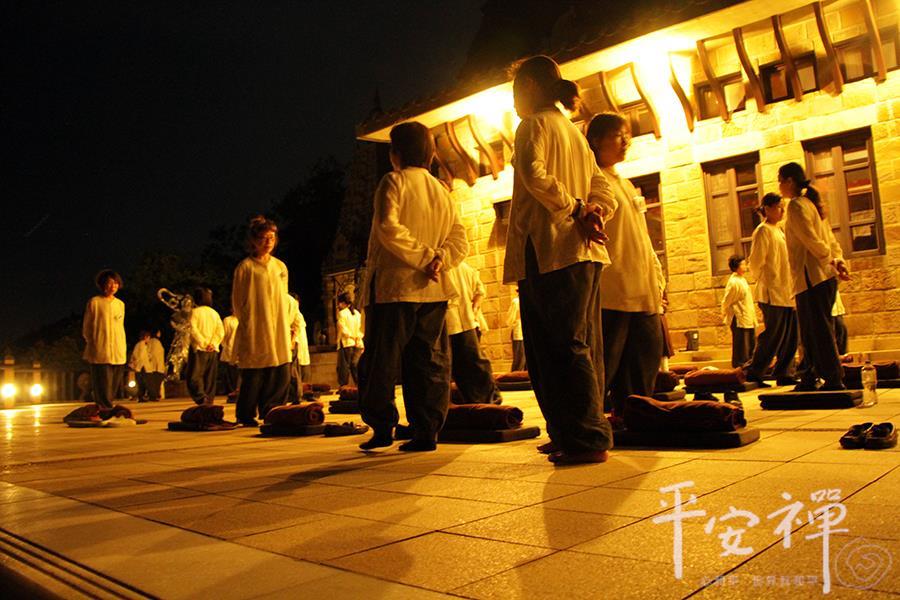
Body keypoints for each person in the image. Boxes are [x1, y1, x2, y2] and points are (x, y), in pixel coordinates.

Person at [503, 55, 614, 465]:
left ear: (531, 86)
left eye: (516, 90)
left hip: (549, 250)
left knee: (556, 348)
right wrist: (595, 211)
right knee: (581, 343)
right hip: (583, 249)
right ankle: (570, 431)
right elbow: (602, 186)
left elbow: (533, 174)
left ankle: (586, 439)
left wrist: (578, 208)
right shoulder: (573, 133)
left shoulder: (532, 125)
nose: (514, 101)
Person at [357, 121, 468, 452]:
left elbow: (388, 228)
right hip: (433, 288)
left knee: (381, 360)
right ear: (430, 153)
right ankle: (426, 430)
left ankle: (382, 426)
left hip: (394, 288)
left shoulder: (393, 181)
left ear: (395, 153)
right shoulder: (442, 191)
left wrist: (425, 258)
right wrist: (439, 259)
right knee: (428, 361)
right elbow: (459, 238)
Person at [586, 112, 663, 418]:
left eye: (628, 135)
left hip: (642, 288)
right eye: (619, 135)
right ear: (596, 140)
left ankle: (633, 416)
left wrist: (656, 279)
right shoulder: (592, 181)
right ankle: (588, 423)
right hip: (613, 288)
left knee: (645, 356)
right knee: (605, 362)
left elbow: (641, 237)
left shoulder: (625, 184)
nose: (626, 141)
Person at [781, 162, 850, 391]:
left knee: (819, 331)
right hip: (820, 277)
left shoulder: (796, 206)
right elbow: (829, 238)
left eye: (780, 181)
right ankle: (808, 375)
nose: (779, 186)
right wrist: (837, 260)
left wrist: (831, 260)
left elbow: (812, 240)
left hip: (812, 278)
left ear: (790, 181)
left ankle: (833, 378)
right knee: (810, 331)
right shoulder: (811, 203)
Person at [232, 216, 292, 425]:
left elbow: (284, 297)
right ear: (254, 240)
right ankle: (246, 413)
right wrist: (247, 322)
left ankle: (272, 410)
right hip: (256, 323)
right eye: (264, 238)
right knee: (254, 371)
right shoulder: (245, 267)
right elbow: (238, 301)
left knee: (280, 368)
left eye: (272, 238)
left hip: (278, 324)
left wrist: (286, 322)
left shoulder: (280, 267)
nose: (268, 242)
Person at [744, 193, 799, 386]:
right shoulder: (763, 231)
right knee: (773, 335)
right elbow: (756, 262)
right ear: (767, 209)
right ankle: (755, 371)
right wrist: (768, 281)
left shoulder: (780, 230)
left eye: (783, 206)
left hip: (787, 291)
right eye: (778, 207)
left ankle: (785, 372)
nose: (782, 210)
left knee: (791, 335)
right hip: (772, 291)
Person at [447, 261, 502, 404]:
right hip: (468, 319)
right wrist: (474, 308)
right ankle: (488, 398)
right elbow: (480, 292)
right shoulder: (466, 267)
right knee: (473, 359)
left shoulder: (443, 265)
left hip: (452, 321)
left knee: (463, 362)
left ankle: (484, 400)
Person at [82, 269, 126, 409]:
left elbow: (120, 325)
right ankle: (105, 407)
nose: (113, 286)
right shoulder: (95, 302)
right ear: (102, 285)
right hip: (100, 347)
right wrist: (93, 342)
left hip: (118, 347)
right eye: (110, 283)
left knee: (114, 381)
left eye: (116, 283)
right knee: (102, 380)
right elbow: (87, 326)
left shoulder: (120, 304)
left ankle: (107, 405)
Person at [187, 287, 224, 405]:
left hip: (199, 349)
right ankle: (209, 400)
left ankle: (201, 397)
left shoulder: (194, 312)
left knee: (194, 376)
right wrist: (213, 343)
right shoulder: (215, 313)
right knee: (210, 377)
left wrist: (203, 343)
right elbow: (220, 331)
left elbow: (192, 329)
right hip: (213, 350)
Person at [721, 255, 756, 368]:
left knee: (750, 344)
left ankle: (750, 365)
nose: (745, 266)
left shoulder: (742, 279)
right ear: (736, 266)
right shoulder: (734, 282)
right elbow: (727, 300)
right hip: (739, 317)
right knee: (742, 345)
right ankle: (740, 367)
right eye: (743, 264)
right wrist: (725, 311)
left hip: (747, 315)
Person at [336, 292, 363, 386]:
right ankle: (359, 385)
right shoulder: (357, 313)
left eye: (339, 303)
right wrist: (357, 337)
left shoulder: (342, 313)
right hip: (357, 342)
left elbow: (343, 329)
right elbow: (361, 328)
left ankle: (343, 387)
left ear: (343, 303)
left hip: (347, 343)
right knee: (355, 366)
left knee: (344, 367)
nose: (338, 305)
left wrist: (352, 336)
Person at [129, 331, 164, 402]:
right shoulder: (142, 345)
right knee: (149, 383)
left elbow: (135, 355)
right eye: (148, 338)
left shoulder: (139, 345)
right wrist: (144, 366)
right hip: (144, 367)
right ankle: (152, 397)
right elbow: (142, 357)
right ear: (146, 337)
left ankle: (141, 397)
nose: (149, 340)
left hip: (141, 367)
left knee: (141, 383)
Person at [220, 313, 240, 401]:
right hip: (230, 349)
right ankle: (233, 393)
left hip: (242, 350)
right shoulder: (228, 320)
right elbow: (224, 336)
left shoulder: (244, 317)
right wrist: (226, 347)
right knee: (232, 373)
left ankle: (238, 392)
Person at [505, 287, 526, 371]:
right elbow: (510, 318)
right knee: (519, 357)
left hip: (525, 332)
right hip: (519, 332)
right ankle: (515, 374)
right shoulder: (516, 302)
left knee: (526, 357)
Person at [833, 291, 849, 357]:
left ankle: (842, 353)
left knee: (842, 329)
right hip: (830, 309)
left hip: (837, 309)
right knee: (839, 329)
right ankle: (840, 354)